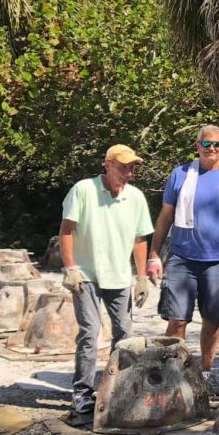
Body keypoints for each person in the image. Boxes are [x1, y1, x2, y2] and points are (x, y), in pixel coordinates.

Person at [147, 125, 219, 382]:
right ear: (197, 146)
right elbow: (166, 216)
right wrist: (153, 254)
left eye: (217, 144)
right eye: (206, 144)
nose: (211, 149)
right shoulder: (180, 175)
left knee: (212, 319)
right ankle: (173, 373)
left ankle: (205, 372)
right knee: (177, 319)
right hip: (182, 257)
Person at [58, 145, 154, 420]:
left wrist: (141, 277)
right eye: (123, 166)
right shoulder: (84, 190)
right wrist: (70, 268)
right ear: (107, 165)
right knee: (90, 331)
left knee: (124, 333)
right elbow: (66, 229)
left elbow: (139, 238)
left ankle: (118, 387)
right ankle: (82, 392)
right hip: (86, 272)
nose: (128, 172)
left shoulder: (135, 197)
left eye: (132, 167)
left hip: (119, 274)